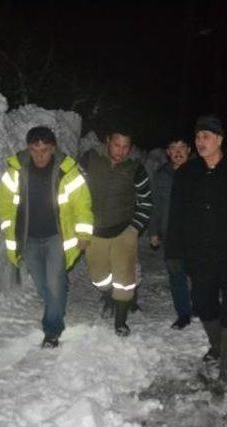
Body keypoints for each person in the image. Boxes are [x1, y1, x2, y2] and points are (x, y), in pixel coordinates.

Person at [165, 115, 227, 382]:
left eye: (206, 137)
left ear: (220, 139)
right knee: (203, 303)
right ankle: (218, 346)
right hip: (200, 255)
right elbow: (176, 215)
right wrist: (173, 252)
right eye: (197, 137)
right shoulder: (187, 174)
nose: (200, 142)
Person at [0, 126, 94, 348]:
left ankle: (52, 329)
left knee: (54, 283)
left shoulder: (67, 172)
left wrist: (83, 233)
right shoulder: (16, 171)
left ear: (53, 148)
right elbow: (4, 202)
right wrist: (9, 228)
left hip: (56, 238)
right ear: (28, 148)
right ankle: (57, 300)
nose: (40, 156)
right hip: (28, 238)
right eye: (34, 150)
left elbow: (82, 204)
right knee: (42, 285)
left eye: (45, 150)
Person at [81, 127, 153, 337]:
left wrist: (134, 229)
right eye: (117, 145)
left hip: (124, 231)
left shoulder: (135, 169)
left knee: (124, 279)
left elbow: (146, 202)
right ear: (107, 141)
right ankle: (108, 295)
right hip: (95, 232)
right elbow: (75, 191)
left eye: (125, 147)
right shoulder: (90, 160)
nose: (121, 151)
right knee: (98, 277)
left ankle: (120, 321)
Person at [149, 136, 193, 330]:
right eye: (173, 148)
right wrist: (153, 231)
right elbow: (156, 205)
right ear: (168, 152)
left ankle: (202, 306)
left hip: (196, 233)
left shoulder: (200, 172)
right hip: (171, 233)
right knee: (176, 275)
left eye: (181, 147)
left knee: (201, 273)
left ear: (189, 150)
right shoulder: (161, 175)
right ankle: (183, 313)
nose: (177, 152)